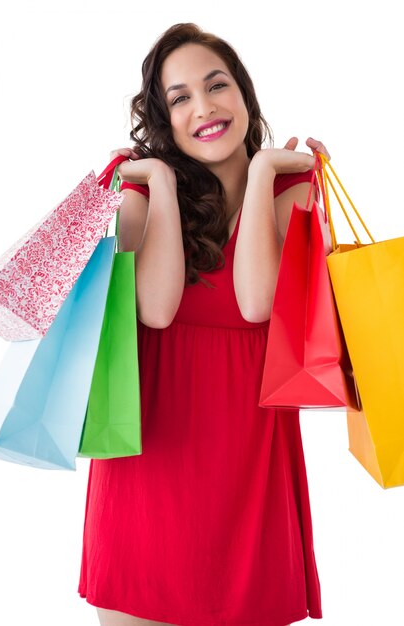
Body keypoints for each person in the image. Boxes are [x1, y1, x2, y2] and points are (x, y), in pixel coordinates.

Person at [78, 22, 331, 626]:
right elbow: (157, 309)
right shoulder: (140, 189)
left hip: (250, 472)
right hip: (149, 465)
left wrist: (265, 170)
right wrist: (162, 185)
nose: (204, 107)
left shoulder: (293, 186)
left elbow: (256, 303)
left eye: (216, 85)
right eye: (180, 97)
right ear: (164, 119)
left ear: (243, 93)